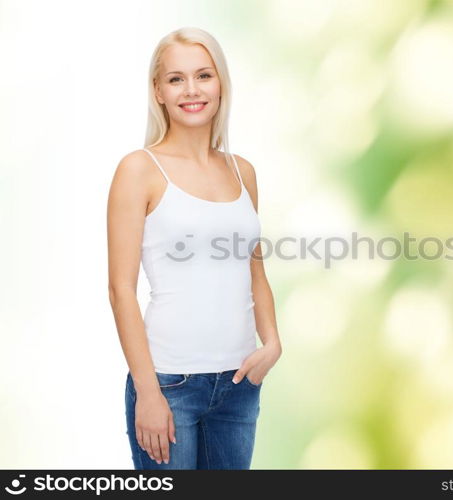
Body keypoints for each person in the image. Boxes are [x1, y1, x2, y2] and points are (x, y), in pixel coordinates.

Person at [107, 27, 282, 470]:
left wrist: (273, 342)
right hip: (169, 384)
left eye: (203, 75)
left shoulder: (243, 171)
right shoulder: (139, 170)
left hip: (239, 386)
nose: (191, 90)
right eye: (176, 79)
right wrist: (148, 392)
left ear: (221, 84)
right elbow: (120, 289)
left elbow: (253, 271)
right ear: (158, 91)